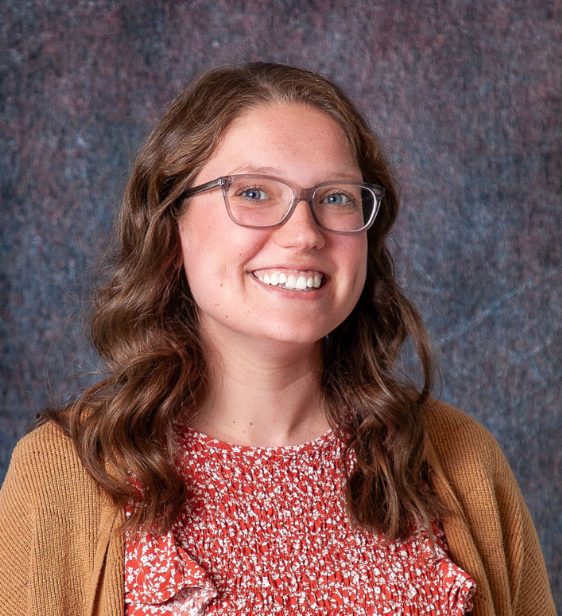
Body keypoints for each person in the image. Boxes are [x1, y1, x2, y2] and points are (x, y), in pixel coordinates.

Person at [0, 63, 555, 616]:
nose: (304, 233)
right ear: (170, 229)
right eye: (255, 192)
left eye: (336, 197)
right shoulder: (63, 474)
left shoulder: (463, 462)